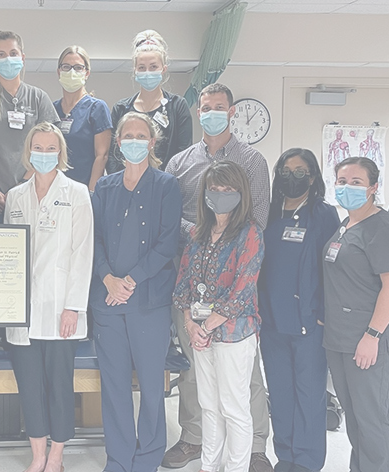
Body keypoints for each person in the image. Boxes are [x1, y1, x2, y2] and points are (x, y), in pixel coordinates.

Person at [162, 82, 273, 472]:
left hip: (233, 313)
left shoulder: (252, 161)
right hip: (195, 292)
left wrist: (210, 321)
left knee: (240, 392)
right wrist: (194, 322)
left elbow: (257, 221)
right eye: (206, 107)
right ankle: (199, 447)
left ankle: (253, 450)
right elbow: (170, 217)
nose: (212, 113)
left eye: (219, 107)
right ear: (198, 112)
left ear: (231, 111)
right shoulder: (180, 163)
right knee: (202, 391)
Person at [90, 112, 181, 472]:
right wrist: (107, 278)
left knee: (151, 386)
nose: (133, 141)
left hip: (148, 302)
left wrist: (130, 281)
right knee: (114, 387)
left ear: (152, 142)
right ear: (118, 142)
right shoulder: (105, 187)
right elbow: (94, 239)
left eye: (141, 136)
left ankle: (148, 458)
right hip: (108, 302)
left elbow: (167, 242)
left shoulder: (166, 185)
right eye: (127, 135)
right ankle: (119, 458)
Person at [4, 123, 94, 472]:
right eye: (38, 148)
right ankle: (38, 454)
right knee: (30, 386)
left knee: (59, 386)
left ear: (60, 153)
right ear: (28, 151)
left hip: (60, 308)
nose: (44, 154)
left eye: (50, 148)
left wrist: (73, 306)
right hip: (21, 311)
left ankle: (56, 455)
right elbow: (8, 254)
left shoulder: (77, 193)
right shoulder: (15, 196)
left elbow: (83, 253)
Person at [174, 161, 263, 472]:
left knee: (234, 409)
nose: (220, 194)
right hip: (200, 334)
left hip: (234, 334)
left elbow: (244, 287)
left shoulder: (250, 233)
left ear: (241, 193)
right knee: (209, 406)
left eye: (228, 189)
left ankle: (236, 468)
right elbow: (183, 282)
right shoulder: (198, 233)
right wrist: (190, 323)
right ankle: (209, 466)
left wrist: (209, 324)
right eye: (214, 189)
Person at [323, 157, 389, 472]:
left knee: (371, 420)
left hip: (371, 340)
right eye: (342, 181)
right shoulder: (346, 225)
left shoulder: (383, 227)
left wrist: (372, 336)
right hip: (341, 337)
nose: (347, 187)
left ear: (373, 187)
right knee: (355, 418)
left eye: (356, 182)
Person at [257, 149, 339, 472]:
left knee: (309, 394)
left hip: (309, 321)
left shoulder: (323, 214)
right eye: (286, 171)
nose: (292, 177)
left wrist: (324, 312)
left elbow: (333, 267)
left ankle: (306, 460)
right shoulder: (269, 212)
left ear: (313, 177)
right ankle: (286, 456)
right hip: (271, 321)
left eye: (300, 171)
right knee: (280, 393)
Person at [0, 30, 59, 215]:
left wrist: (22, 186)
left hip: (32, 190)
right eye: (1, 54)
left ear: (22, 57)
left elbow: (49, 148)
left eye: (13, 53)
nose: (8, 59)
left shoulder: (38, 98)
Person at [107, 30, 192, 174]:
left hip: (166, 182)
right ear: (135, 70)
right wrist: (120, 181)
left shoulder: (177, 106)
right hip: (126, 182)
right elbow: (112, 155)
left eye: (153, 67)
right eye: (142, 67)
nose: (147, 72)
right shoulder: (121, 109)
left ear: (163, 69)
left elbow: (184, 153)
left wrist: (165, 181)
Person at [52, 45, 112, 191]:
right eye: (66, 67)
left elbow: (102, 156)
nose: (72, 72)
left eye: (78, 68)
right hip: (54, 188)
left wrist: (90, 193)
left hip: (83, 188)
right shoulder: (52, 109)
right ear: (59, 72)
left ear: (87, 73)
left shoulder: (97, 108)